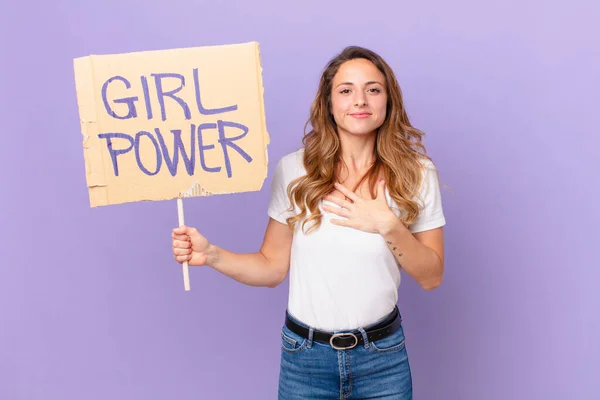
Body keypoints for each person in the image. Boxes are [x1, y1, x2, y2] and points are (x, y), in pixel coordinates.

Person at [172, 46, 446, 400]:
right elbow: (271, 268)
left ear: (388, 101)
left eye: (373, 89)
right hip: (306, 360)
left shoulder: (418, 173)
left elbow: (432, 276)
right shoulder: (294, 170)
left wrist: (388, 225)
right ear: (329, 104)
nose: (359, 100)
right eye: (346, 90)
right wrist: (211, 255)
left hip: (383, 359)